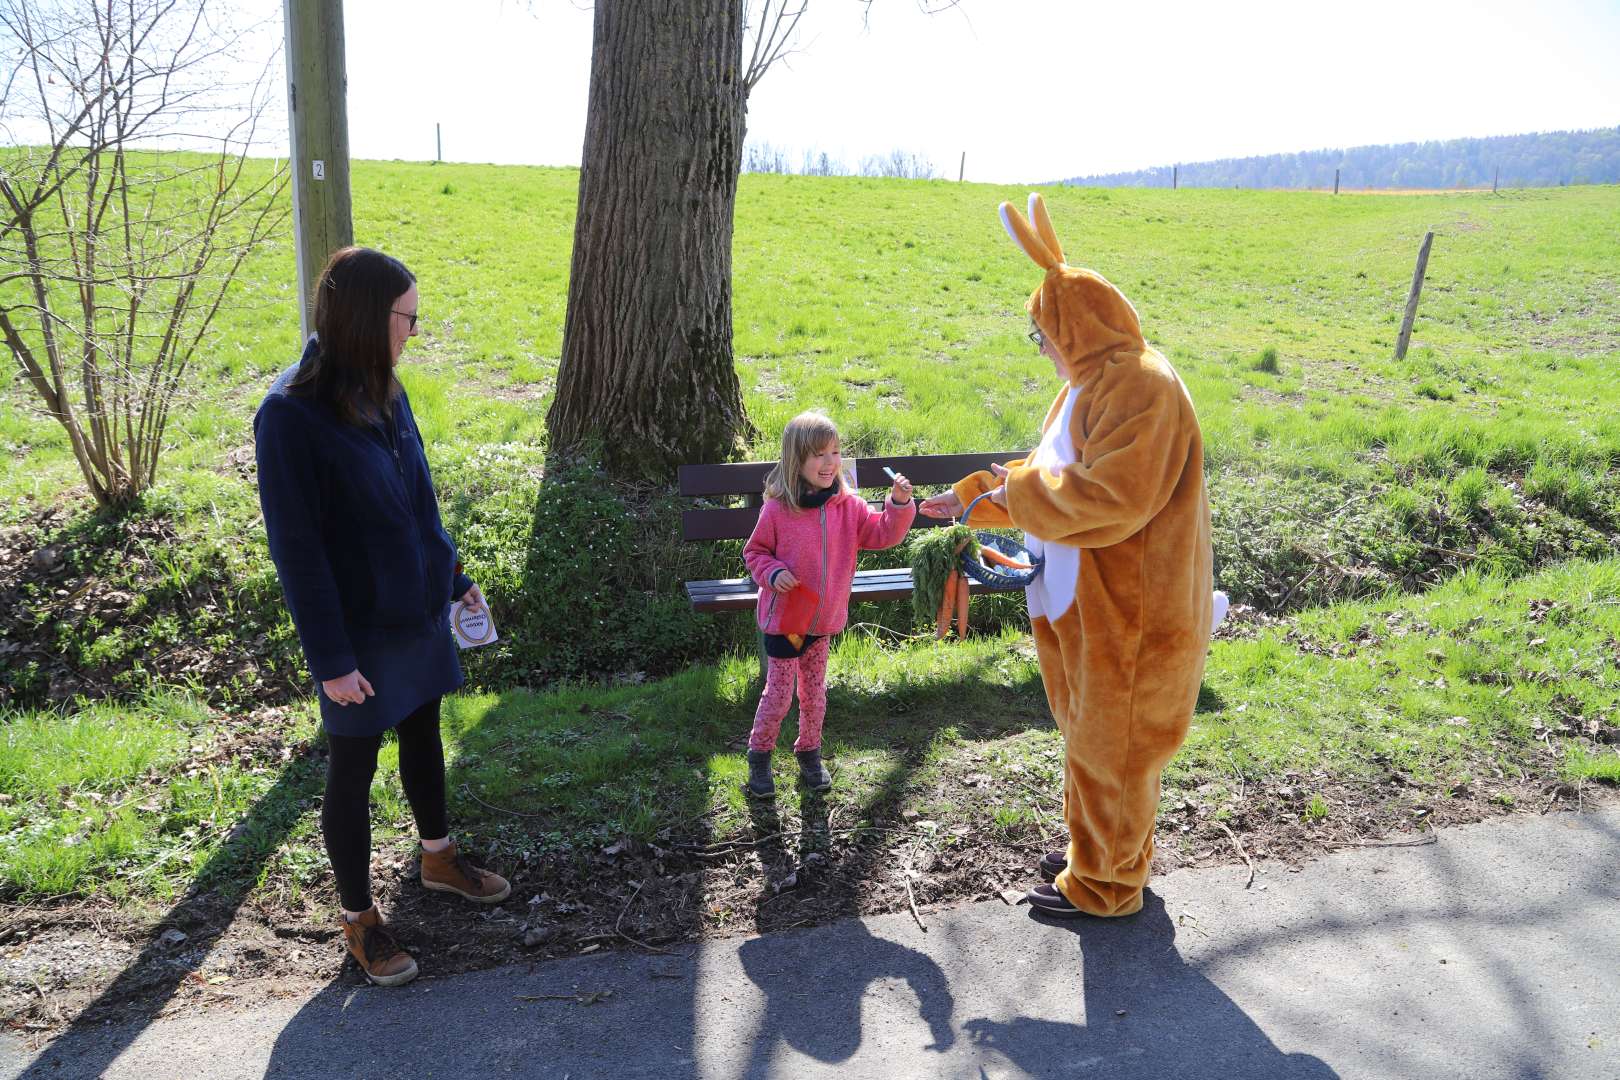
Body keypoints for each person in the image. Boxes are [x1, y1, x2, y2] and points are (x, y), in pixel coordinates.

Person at [921, 194, 1215, 918]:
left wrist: (1012, 495)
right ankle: (1104, 853)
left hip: (1134, 612)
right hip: (1087, 602)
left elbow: (1111, 496)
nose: (1043, 348)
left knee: (1116, 749)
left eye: (1043, 334)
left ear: (1075, 328)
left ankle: (1107, 887)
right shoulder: (1088, 385)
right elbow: (1051, 470)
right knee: (1093, 738)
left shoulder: (1143, 386)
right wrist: (973, 498)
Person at [254, 246, 509, 987]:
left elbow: (420, 503)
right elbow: (298, 554)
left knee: (424, 731)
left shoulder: (386, 390)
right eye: (408, 317)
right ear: (370, 318)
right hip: (356, 632)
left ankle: (438, 859)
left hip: (416, 611)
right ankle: (359, 919)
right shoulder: (289, 416)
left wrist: (454, 577)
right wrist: (331, 661)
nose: (415, 331)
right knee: (353, 767)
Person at [741, 411, 916, 796]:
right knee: (780, 693)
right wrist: (772, 573)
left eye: (835, 452)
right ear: (796, 460)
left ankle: (809, 753)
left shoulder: (849, 506)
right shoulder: (777, 509)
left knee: (815, 693)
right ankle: (759, 758)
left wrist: (898, 504)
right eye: (818, 455)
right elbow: (754, 553)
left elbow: (883, 534)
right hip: (786, 621)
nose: (829, 462)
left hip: (824, 622)